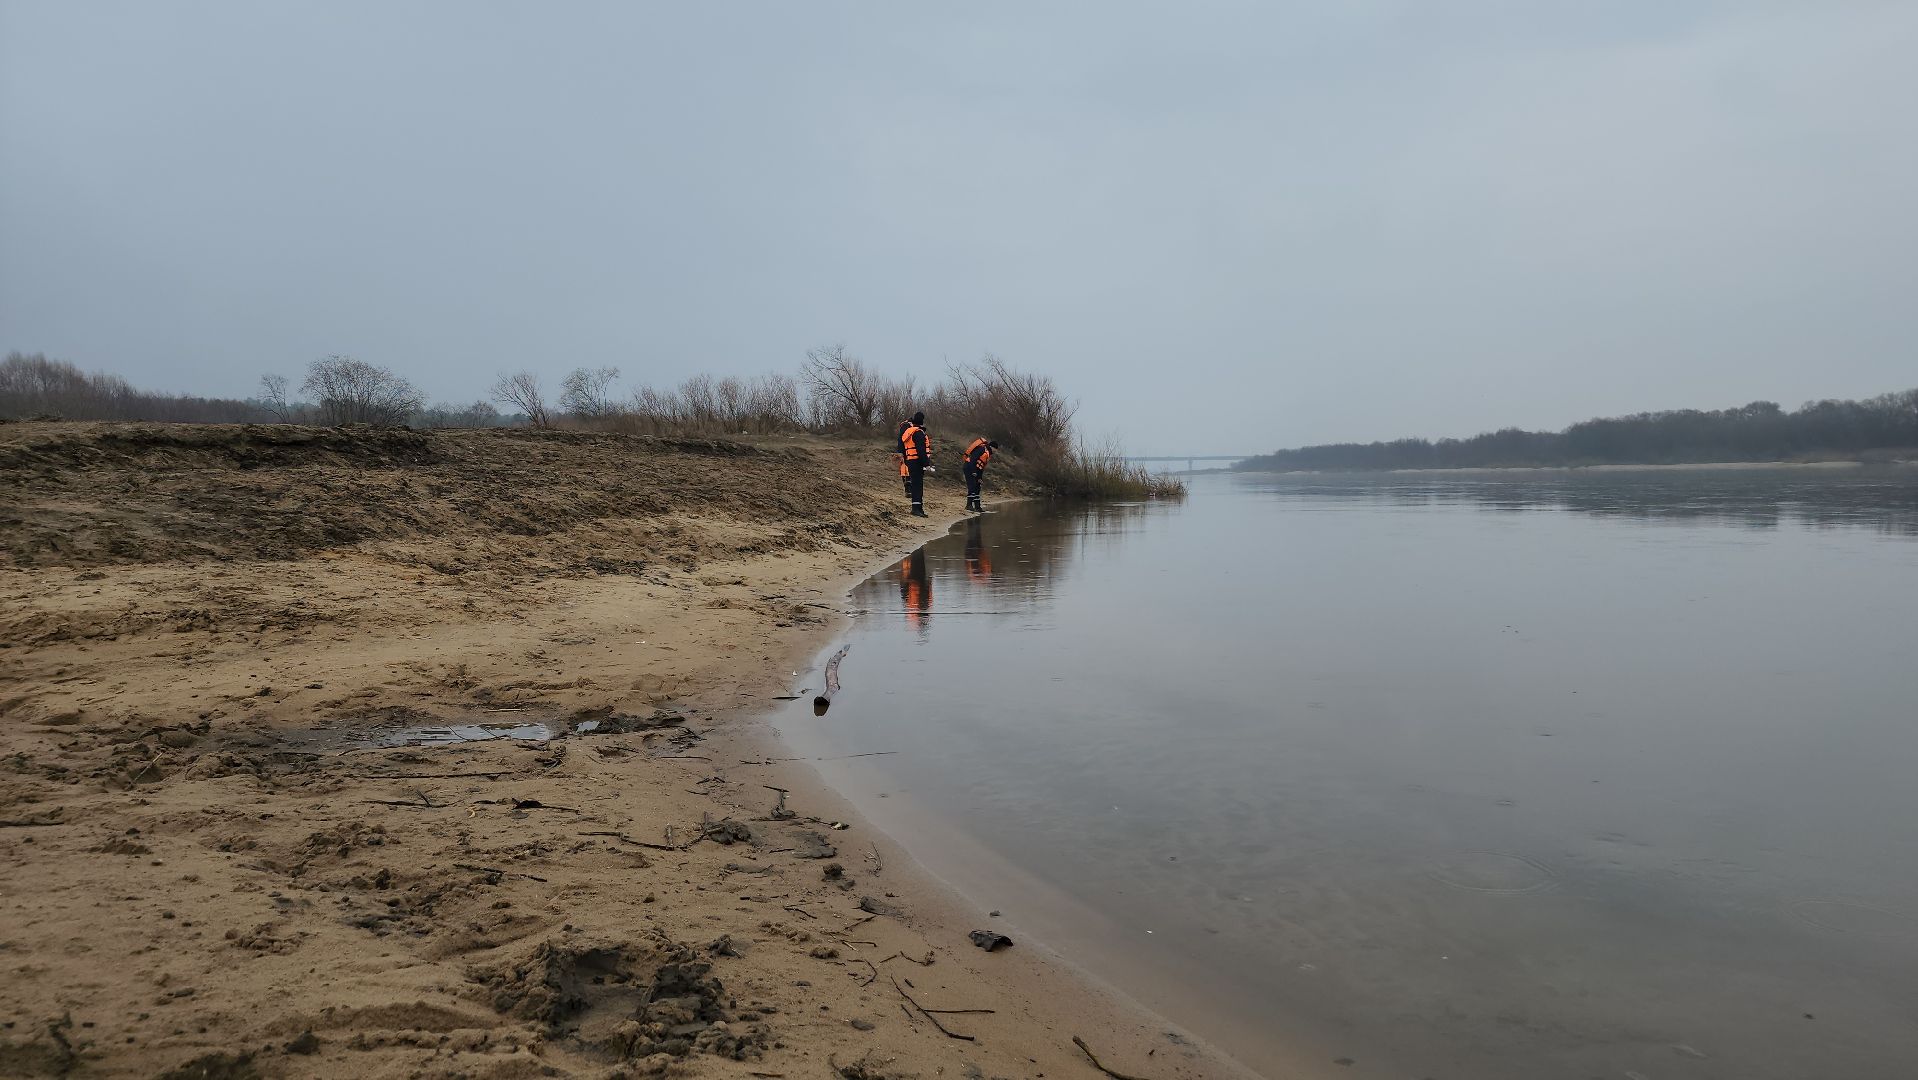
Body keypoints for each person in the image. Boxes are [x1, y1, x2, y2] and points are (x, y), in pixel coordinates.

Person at [897, 411, 931, 517]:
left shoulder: (908, 432)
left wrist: (907, 460)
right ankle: (916, 509)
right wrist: (926, 464)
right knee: (918, 486)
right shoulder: (918, 432)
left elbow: (903, 448)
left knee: (915, 485)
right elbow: (921, 450)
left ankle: (917, 508)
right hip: (917, 462)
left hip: (910, 462)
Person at [961, 437, 999, 512]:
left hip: (975, 470)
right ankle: (969, 505)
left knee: (977, 487)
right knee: (972, 486)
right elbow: (973, 460)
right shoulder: (982, 449)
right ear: (991, 447)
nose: (995, 451)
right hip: (969, 468)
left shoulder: (987, 454)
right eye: (995, 449)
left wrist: (979, 478)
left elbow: (981, 467)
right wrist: (973, 471)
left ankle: (977, 507)